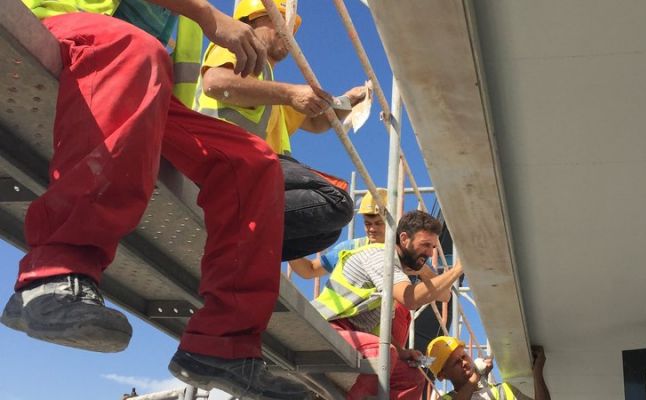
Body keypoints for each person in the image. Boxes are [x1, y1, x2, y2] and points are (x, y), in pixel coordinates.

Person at [0, 0, 307, 398]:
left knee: (254, 163)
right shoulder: (199, 12)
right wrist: (207, 15)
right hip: (63, 25)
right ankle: (52, 274)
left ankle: (222, 344)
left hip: (137, 75)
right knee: (137, 48)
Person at [194, 0, 365, 261]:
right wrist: (290, 93)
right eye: (278, 21)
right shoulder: (236, 44)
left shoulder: (268, 87)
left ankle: (242, 250)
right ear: (250, 20)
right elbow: (216, 83)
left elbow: (317, 122)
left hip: (253, 174)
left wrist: (347, 101)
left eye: (292, 27)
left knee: (326, 230)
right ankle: (233, 226)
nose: (287, 33)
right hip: (226, 162)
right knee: (335, 202)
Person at [311, 210, 463, 400]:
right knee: (383, 352)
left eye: (433, 246)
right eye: (425, 245)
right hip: (327, 326)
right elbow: (411, 299)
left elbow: (444, 296)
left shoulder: (396, 269)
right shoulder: (380, 256)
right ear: (404, 238)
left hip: (354, 334)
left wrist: (402, 351)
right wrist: (458, 268)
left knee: (412, 376)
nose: (430, 252)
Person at [288, 188, 387, 279]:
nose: (372, 229)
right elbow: (310, 270)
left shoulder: (400, 252)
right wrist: (287, 246)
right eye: (367, 223)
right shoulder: (350, 249)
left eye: (379, 223)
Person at [426, 336, 551, 400]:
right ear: (442, 375)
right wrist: (477, 376)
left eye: (464, 356)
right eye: (455, 363)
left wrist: (537, 373)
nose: (464, 362)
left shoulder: (503, 391)